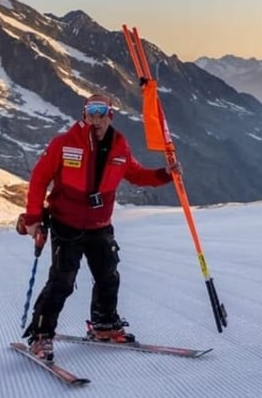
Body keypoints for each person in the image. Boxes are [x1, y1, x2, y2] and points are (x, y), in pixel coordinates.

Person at [16, 93, 178, 361]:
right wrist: (33, 217)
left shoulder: (119, 146)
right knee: (62, 281)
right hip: (66, 224)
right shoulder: (65, 144)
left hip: (100, 224)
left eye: (101, 112)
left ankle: (104, 325)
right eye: (91, 112)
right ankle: (42, 335)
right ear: (84, 115)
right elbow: (39, 178)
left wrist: (165, 175)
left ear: (110, 115)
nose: (95, 118)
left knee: (108, 276)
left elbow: (136, 174)